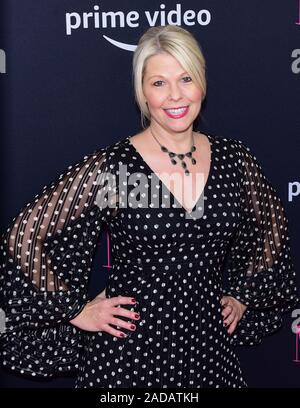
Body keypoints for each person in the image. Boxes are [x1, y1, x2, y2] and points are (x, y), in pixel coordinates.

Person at [0, 24, 299, 388]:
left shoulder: (235, 160)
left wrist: (241, 293)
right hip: (128, 358)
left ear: (202, 81)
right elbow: (24, 237)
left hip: (209, 355)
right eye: (159, 83)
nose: (175, 95)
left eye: (186, 78)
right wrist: (75, 309)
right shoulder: (115, 169)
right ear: (142, 91)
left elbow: (270, 230)